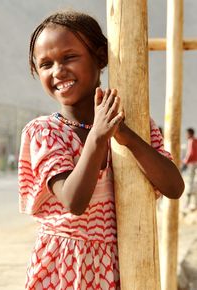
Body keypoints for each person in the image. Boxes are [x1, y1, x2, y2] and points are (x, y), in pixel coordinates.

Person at [18, 11, 184, 290]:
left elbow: (174, 187)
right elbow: (74, 201)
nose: (58, 71)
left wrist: (127, 136)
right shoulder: (45, 132)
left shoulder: (135, 125)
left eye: (69, 57)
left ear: (100, 57)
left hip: (120, 266)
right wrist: (97, 136)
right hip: (62, 270)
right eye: (45, 64)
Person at [182, 128, 197, 210]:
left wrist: (185, 162)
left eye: (187, 134)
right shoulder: (195, 140)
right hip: (194, 163)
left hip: (192, 164)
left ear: (190, 134)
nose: (186, 135)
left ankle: (188, 204)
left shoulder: (191, 141)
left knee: (190, 183)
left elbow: (190, 153)